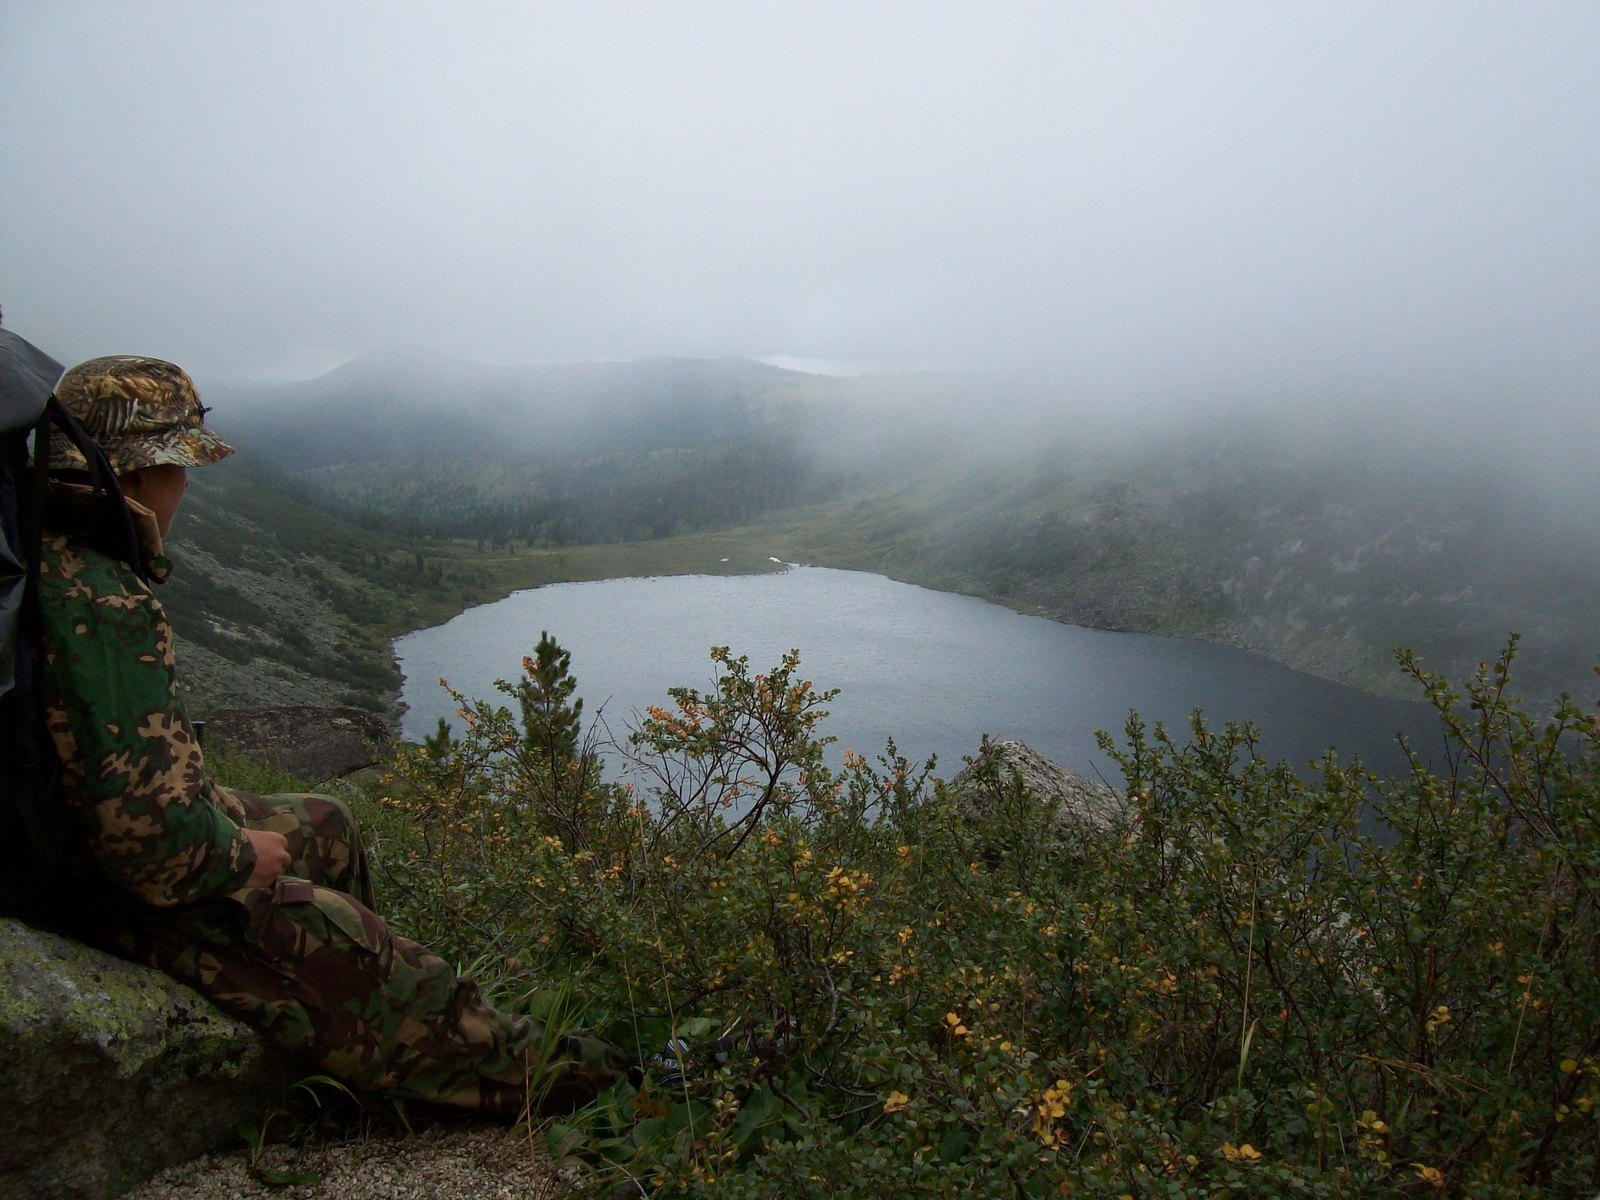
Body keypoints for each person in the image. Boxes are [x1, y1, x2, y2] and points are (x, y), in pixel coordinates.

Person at [36, 354, 629, 1114]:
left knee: (330, 824)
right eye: (179, 467)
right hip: (105, 889)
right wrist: (240, 853)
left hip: (83, 846)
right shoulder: (94, 600)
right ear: (137, 475)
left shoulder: (48, 551)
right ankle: (597, 1078)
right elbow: (153, 853)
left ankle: (337, 1041)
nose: (187, 487)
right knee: (377, 959)